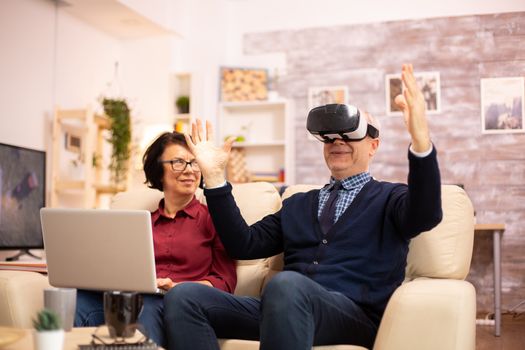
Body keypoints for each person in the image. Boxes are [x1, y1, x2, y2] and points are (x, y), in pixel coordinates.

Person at [163, 63, 442, 350]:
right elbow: (243, 246)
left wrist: (421, 142)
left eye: (349, 134)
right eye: (329, 136)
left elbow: (426, 214)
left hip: (353, 316)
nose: (337, 142)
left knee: (286, 285)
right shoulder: (298, 203)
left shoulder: (390, 198)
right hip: (283, 308)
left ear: (373, 145)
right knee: (183, 297)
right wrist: (215, 179)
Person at [74, 131, 237, 348]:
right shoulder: (139, 224)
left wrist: (177, 287)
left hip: (175, 304)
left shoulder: (215, 219)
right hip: (129, 299)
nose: (189, 170)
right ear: (158, 170)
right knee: (77, 301)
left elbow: (225, 281)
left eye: (194, 163)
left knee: (148, 305)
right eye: (179, 162)